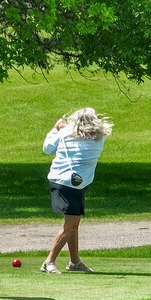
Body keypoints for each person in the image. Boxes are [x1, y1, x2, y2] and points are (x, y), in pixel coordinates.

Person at [41, 107, 112, 273]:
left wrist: (55, 129)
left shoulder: (65, 133)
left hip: (60, 181)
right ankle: (48, 261)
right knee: (71, 225)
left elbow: (47, 148)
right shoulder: (99, 139)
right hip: (76, 184)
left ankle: (74, 261)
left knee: (72, 224)